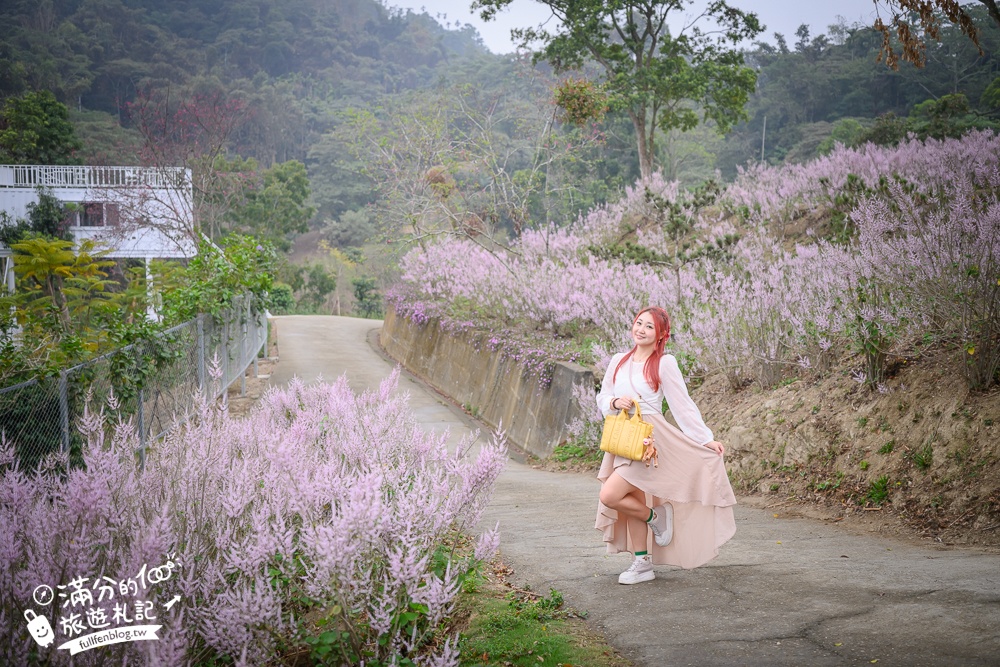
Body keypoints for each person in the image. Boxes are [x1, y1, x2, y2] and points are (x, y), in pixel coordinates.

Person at [595, 306, 736, 584]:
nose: (641, 330)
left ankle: (656, 517)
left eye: (649, 327)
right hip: (623, 435)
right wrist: (613, 402)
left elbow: (682, 404)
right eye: (638, 323)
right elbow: (604, 396)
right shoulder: (618, 360)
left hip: (650, 440)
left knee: (610, 495)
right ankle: (642, 563)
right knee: (630, 499)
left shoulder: (664, 363)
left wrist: (704, 438)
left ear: (660, 334)